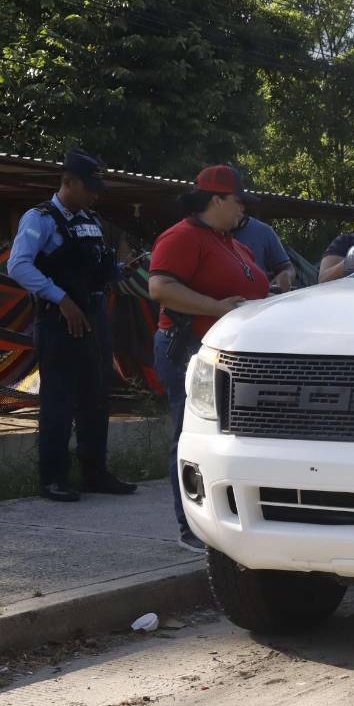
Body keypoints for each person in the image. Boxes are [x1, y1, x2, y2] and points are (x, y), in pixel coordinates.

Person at [149, 165, 270, 552]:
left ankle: (227, 519)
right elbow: (160, 287)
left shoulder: (231, 241)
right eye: (238, 201)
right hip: (190, 349)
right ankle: (190, 526)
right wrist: (217, 308)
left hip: (232, 355)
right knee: (190, 435)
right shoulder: (182, 236)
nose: (243, 210)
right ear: (215, 199)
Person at [7, 148, 136, 502]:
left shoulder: (90, 219)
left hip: (93, 319)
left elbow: (92, 269)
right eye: (89, 187)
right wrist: (61, 299)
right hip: (58, 322)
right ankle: (53, 479)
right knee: (58, 402)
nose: (95, 194)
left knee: (96, 398)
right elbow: (18, 266)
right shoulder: (40, 218)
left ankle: (95, 473)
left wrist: (122, 270)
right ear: (68, 182)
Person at [233, 214, 296, 292]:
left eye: (240, 203)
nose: (239, 208)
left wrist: (286, 275)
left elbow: (287, 267)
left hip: (259, 301)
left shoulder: (263, 231)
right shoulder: (214, 235)